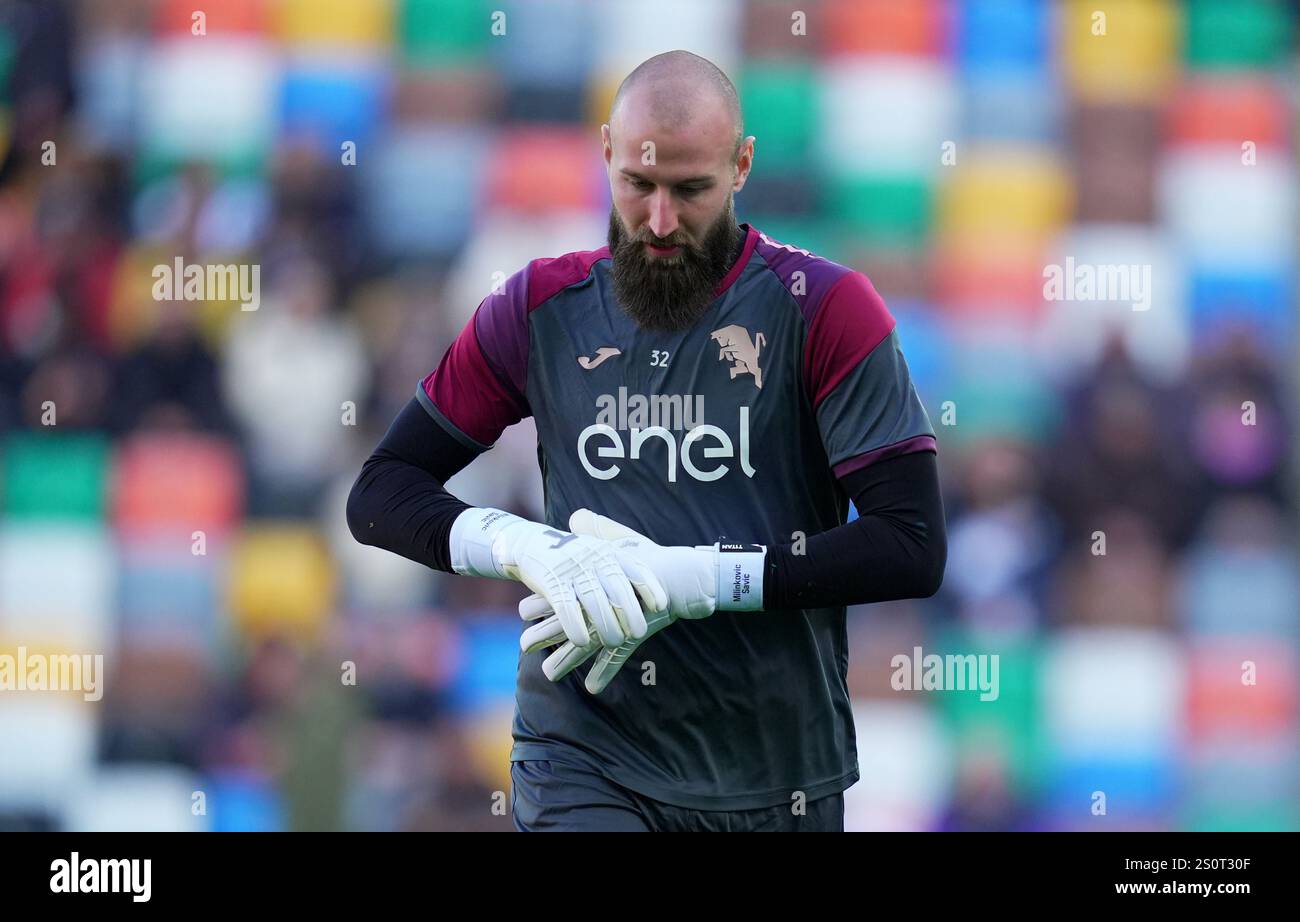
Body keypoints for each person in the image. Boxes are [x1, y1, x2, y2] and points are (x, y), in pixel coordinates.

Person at [347, 51, 946, 832]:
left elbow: (912, 543)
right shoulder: (537, 307)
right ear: (606, 154)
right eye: (638, 184)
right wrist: (524, 547)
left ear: (742, 165)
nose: (660, 222)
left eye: (691, 190)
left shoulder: (825, 309)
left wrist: (700, 578)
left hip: (778, 772)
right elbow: (381, 492)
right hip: (585, 753)